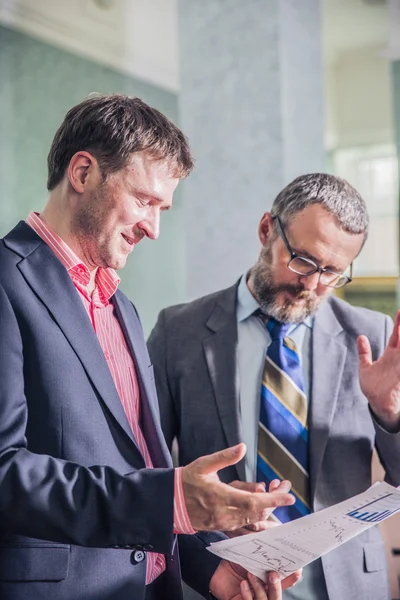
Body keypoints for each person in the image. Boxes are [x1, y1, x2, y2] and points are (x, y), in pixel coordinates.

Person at [0, 94, 302, 600]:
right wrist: (176, 501)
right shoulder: (6, 283)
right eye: (145, 201)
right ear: (82, 173)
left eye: (164, 209)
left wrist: (210, 561)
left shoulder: (125, 307)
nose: (154, 229)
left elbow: (141, 466)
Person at [148, 172, 400, 600]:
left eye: (332, 272)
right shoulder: (179, 331)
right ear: (267, 228)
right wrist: (205, 561)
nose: (311, 284)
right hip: (221, 581)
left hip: (348, 587)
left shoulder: (372, 336)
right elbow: (146, 471)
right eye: (303, 259)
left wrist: (389, 416)